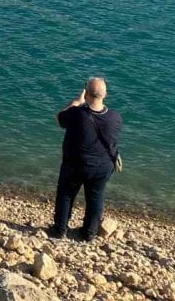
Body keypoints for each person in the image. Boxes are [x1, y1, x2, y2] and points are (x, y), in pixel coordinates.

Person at [49, 77, 123, 241]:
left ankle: (60, 230)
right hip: (103, 166)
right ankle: (89, 233)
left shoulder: (77, 114)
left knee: (66, 194)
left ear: (87, 94)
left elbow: (59, 118)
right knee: (95, 197)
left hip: (76, 164)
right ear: (105, 95)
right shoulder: (115, 118)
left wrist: (76, 101)